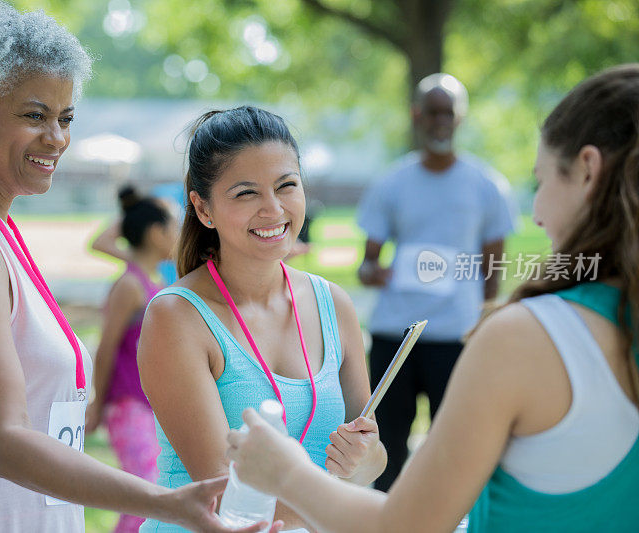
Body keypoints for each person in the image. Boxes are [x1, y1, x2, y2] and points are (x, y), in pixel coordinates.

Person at [0, 4, 270, 532]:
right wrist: (166, 502)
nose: (57, 138)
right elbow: (1, 441)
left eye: (66, 118)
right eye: (34, 115)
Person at [227, 64, 639, 532]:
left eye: (542, 180)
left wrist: (283, 471)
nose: (538, 212)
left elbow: (406, 525)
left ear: (587, 170)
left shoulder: (525, 338)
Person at [137, 107, 388, 533]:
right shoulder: (176, 317)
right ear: (203, 208)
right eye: (246, 193)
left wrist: (361, 462)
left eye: (286, 185)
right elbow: (225, 497)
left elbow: (372, 457)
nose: (273, 209)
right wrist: (366, 510)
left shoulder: (333, 303)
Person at [356, 72, 517, 490]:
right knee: (386, 445)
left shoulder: (486, 185)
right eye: (432, 112)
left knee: (455, 444)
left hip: (454, 334)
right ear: (417, 116)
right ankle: (385, 517)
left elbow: (494, 267)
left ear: (460, 118)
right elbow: (366, 266)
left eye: (449, 113)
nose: (440, 121)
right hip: (395, 334)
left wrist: (485, 321)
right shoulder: (392, 182)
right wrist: (378, 272)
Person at [85, 186, 178, 532]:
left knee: (149, 492)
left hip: (146, 406)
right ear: (156, 234)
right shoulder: (130, 285)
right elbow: (106, 346)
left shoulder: (151, 280)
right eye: (174, 227)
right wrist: (97, 403)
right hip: (126, 406)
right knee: (143, 495)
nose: (180, 235)